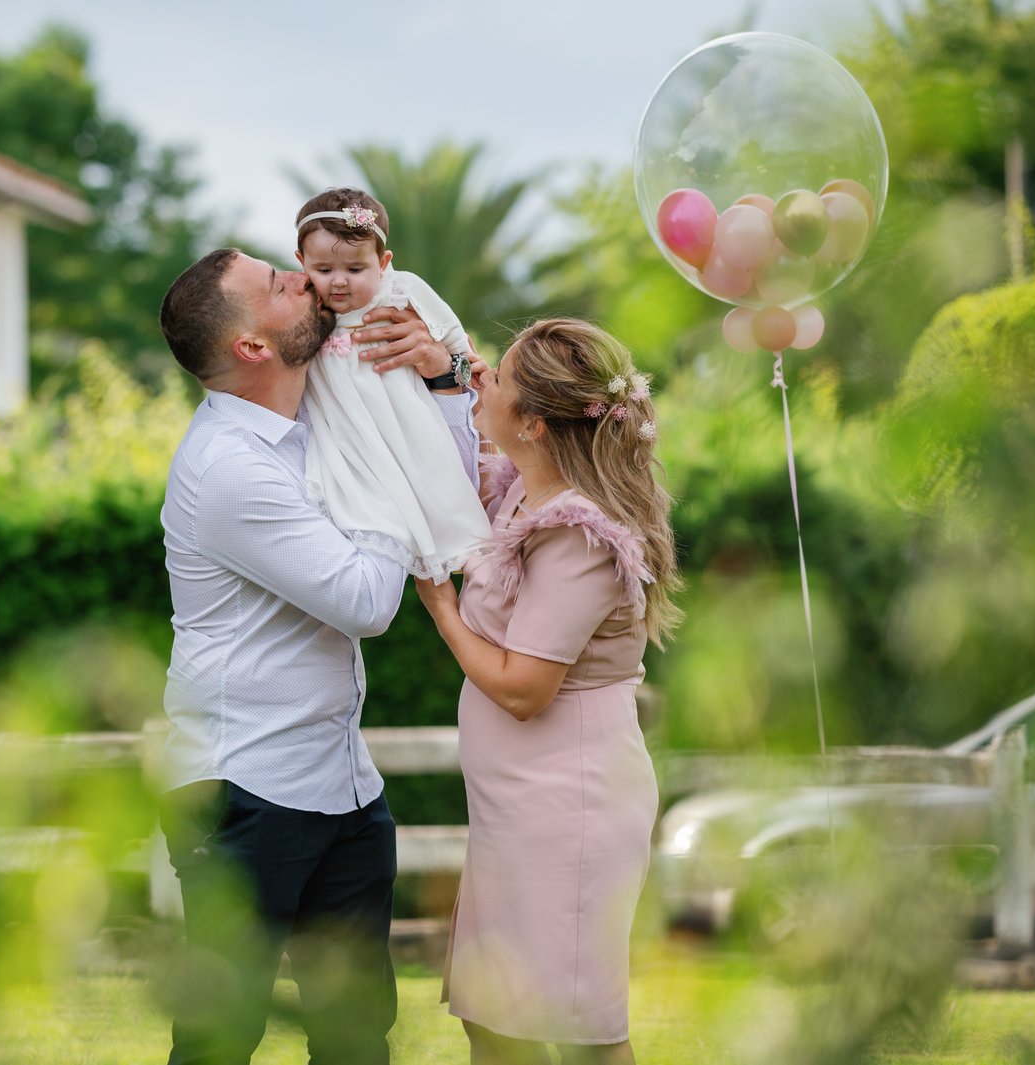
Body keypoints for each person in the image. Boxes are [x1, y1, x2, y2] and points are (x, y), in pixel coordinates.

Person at [155, 247, 481, 1065]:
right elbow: (368, 600)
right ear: (252, 346)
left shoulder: (322, 420)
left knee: (356, 1036)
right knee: (220, 1039)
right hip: (243, 786)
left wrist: (442, 378)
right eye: (279, 283)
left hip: (342, 780)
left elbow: (449, 481)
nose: (305, 278)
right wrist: (389, 476)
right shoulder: (229, 467)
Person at [412, 319, 684, 1065]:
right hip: (514, 804)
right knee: (493, 1019)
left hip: (569, 806)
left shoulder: (580, 533)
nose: (483, 379)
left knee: (577, 1029)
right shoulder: (522, 494)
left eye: (497, 377)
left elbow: (524, 689)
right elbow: (449, 459)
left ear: (533, 422)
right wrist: (443, 370)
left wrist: (441, 607)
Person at [294, 188, 491, 583]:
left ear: (383, 263)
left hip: (404, 415)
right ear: (301, 262)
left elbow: (450, 332)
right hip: (345, 424)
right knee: (355, 495)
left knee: (433, 483)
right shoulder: (303, 308)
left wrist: (463, 363)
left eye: (355, 269)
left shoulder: (401, 291)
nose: (338, 282)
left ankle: (475, 574)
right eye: (323, 269)